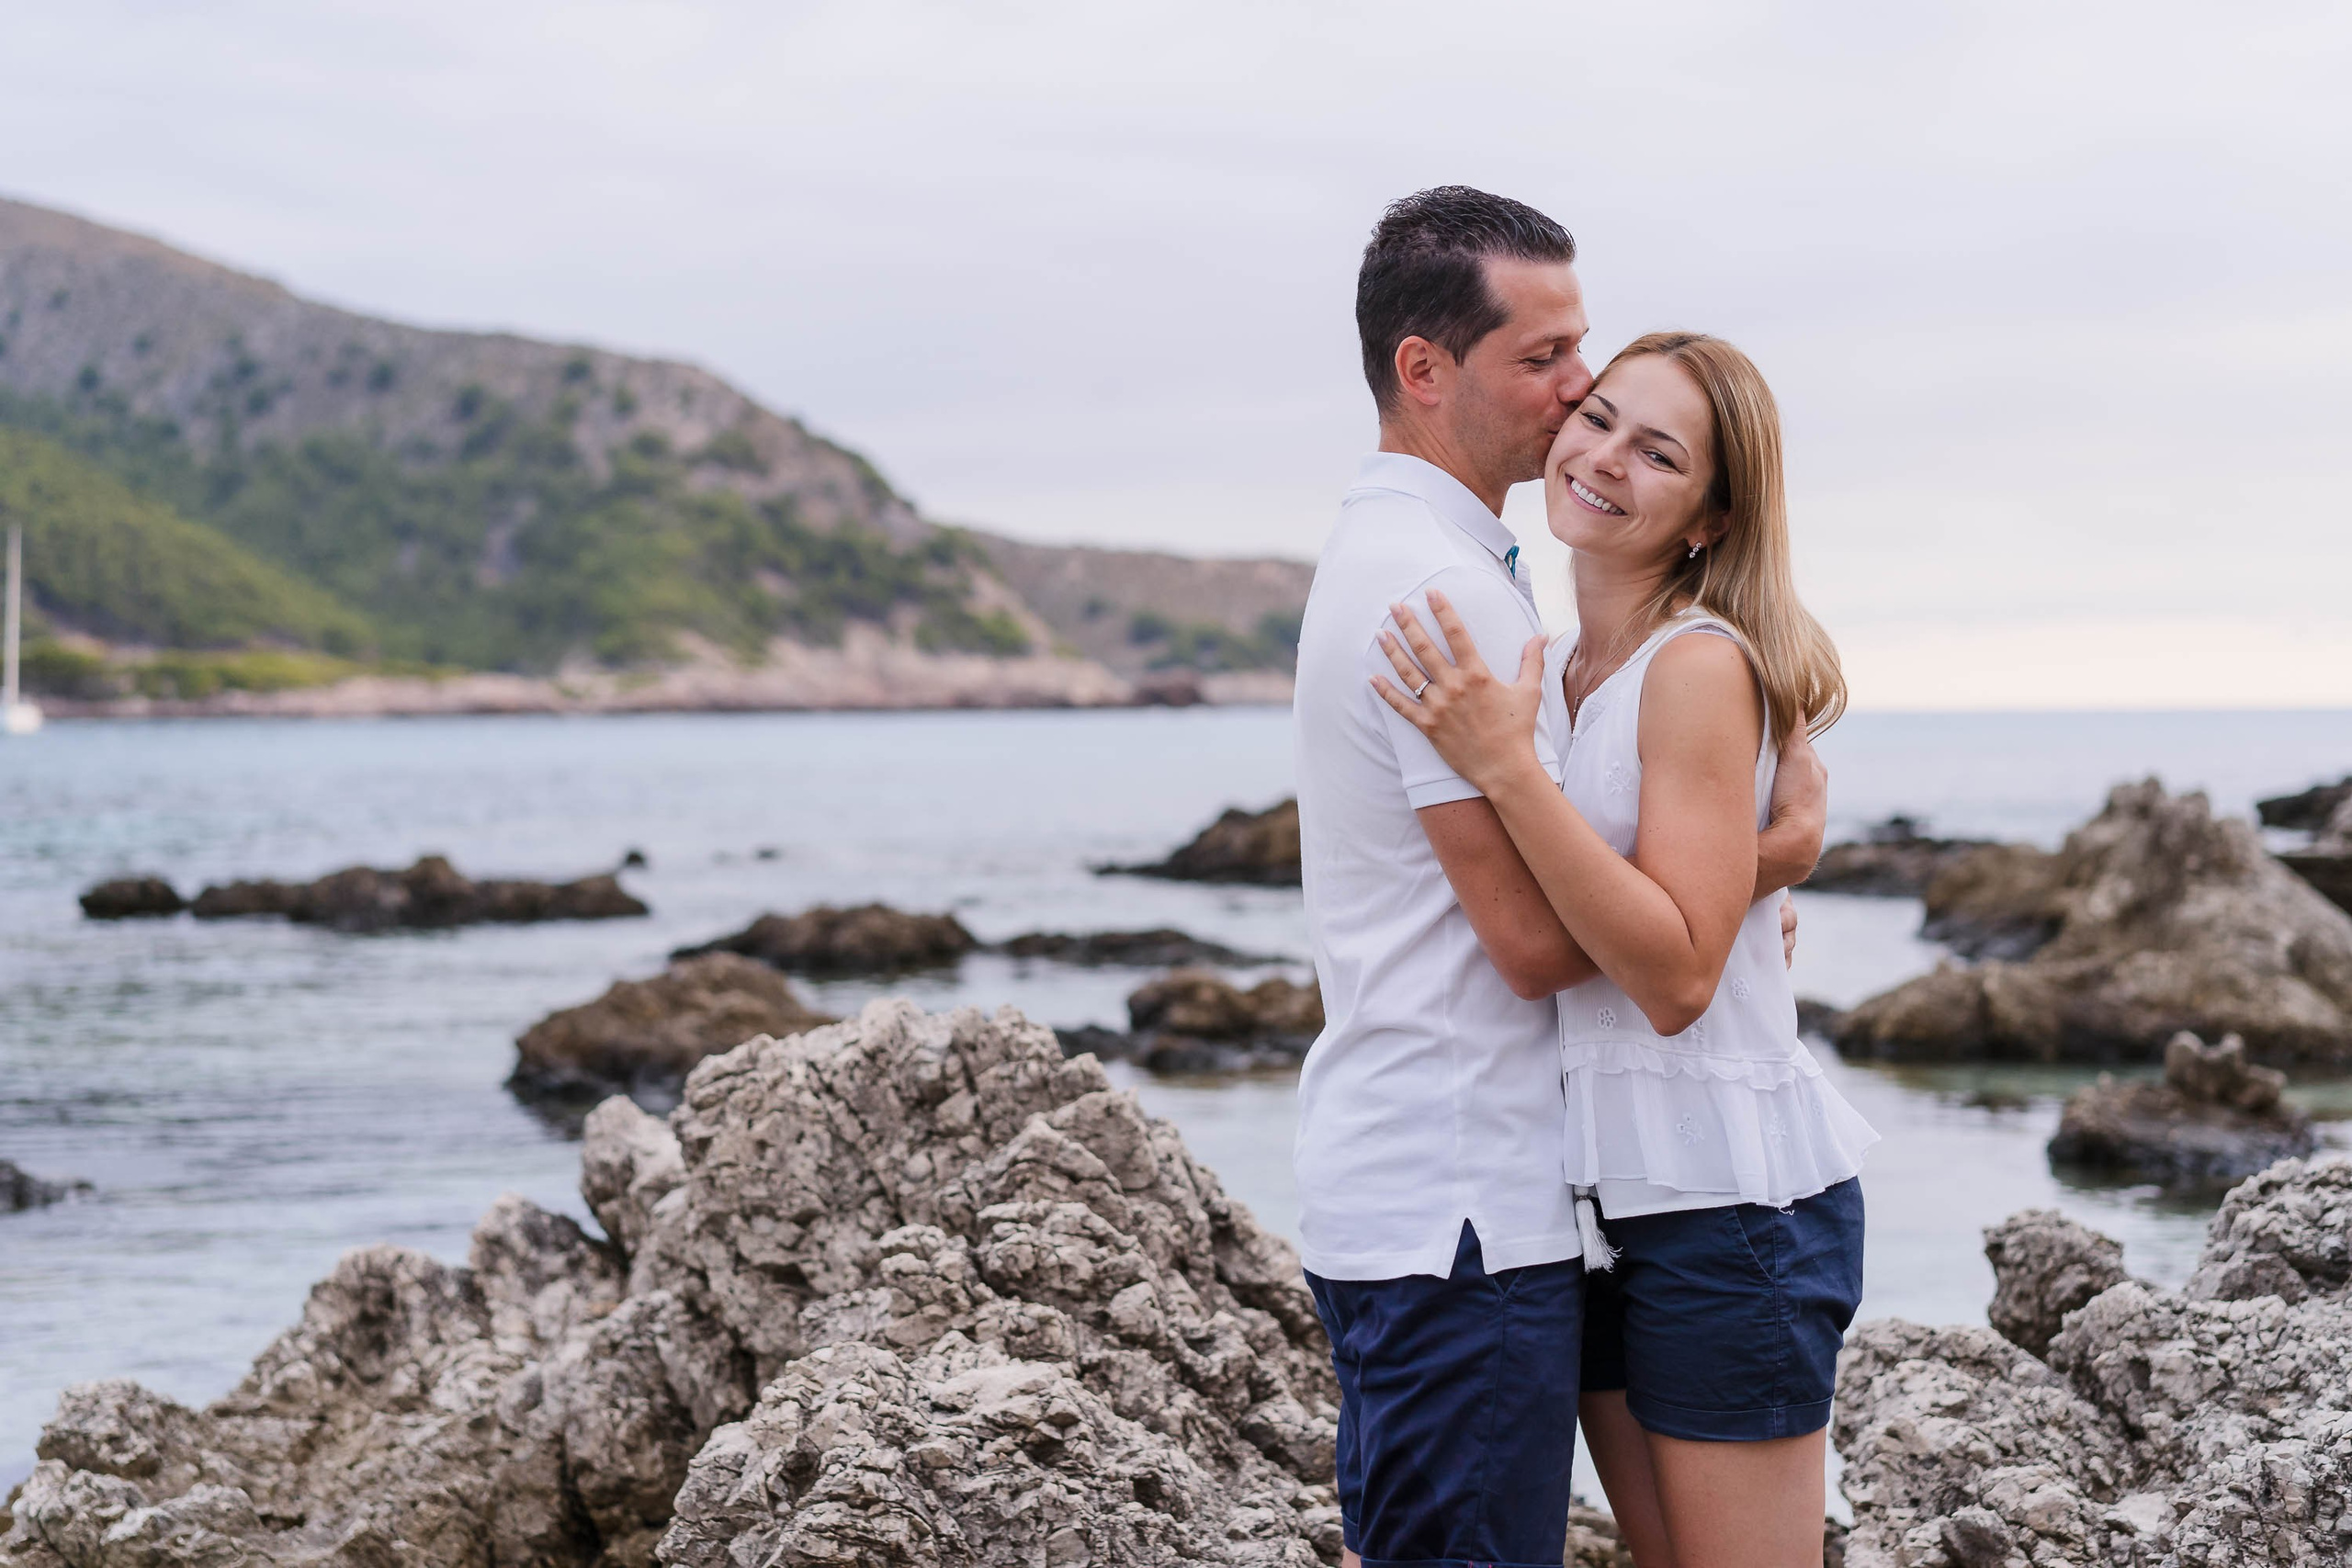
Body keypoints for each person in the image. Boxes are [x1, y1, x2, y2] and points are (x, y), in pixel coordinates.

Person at [1292, 187, 1828, 1568]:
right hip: (1482, 1205)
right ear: (1426, 370)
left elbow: (1664, 942)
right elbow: (1543, 946)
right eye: (1551, 367)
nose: (1578, 400)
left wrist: (1738, 860)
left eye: (1583, 357)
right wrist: (1759, 858)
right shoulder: (1467, 599)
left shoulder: (1444, 574)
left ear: (1710, 514)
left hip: (1637, 1199)